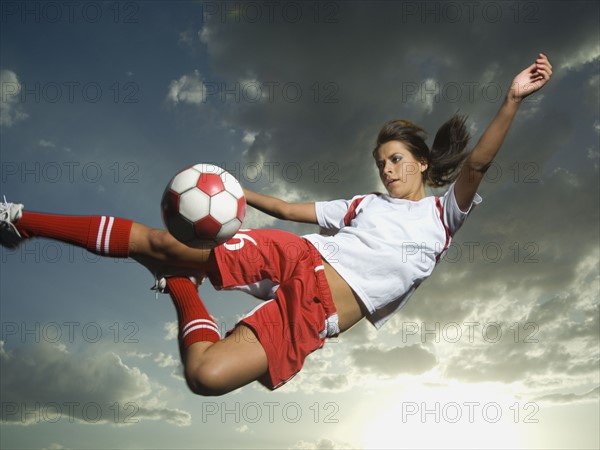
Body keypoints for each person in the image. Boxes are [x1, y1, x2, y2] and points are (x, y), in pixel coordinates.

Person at [0, 54, 552, 396]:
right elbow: (289, 213)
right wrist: (235, 191)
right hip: (298, 257)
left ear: (423, 162)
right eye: (381, 161)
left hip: (314, 315)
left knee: (207, 377)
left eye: (397, 159)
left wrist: (510, 100)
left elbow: (476, 164)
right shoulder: (365, 205)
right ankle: (22, 219)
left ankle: (179, 289)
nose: (387, 169)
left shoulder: (442, 216)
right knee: (165, 243)